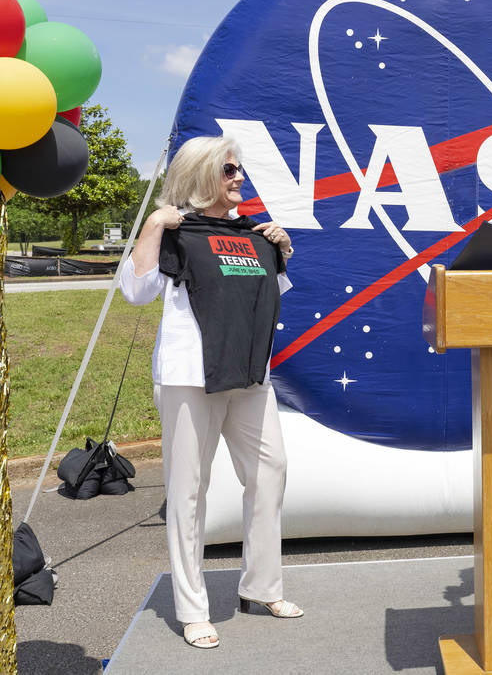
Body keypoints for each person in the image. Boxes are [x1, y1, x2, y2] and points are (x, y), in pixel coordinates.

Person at [119, 136, 302, 649]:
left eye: (239, 169)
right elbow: (135, 293)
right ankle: (193, 608)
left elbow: (264, 296)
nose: (239, 177)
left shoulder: (253, 234)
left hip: (248, 375)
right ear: (202, 176)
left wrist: (281, 251)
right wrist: (156, 223)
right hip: (189, 378)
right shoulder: (176, 231)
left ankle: (261, 586)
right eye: (228, 170)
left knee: (270, 472)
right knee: (188, 491)